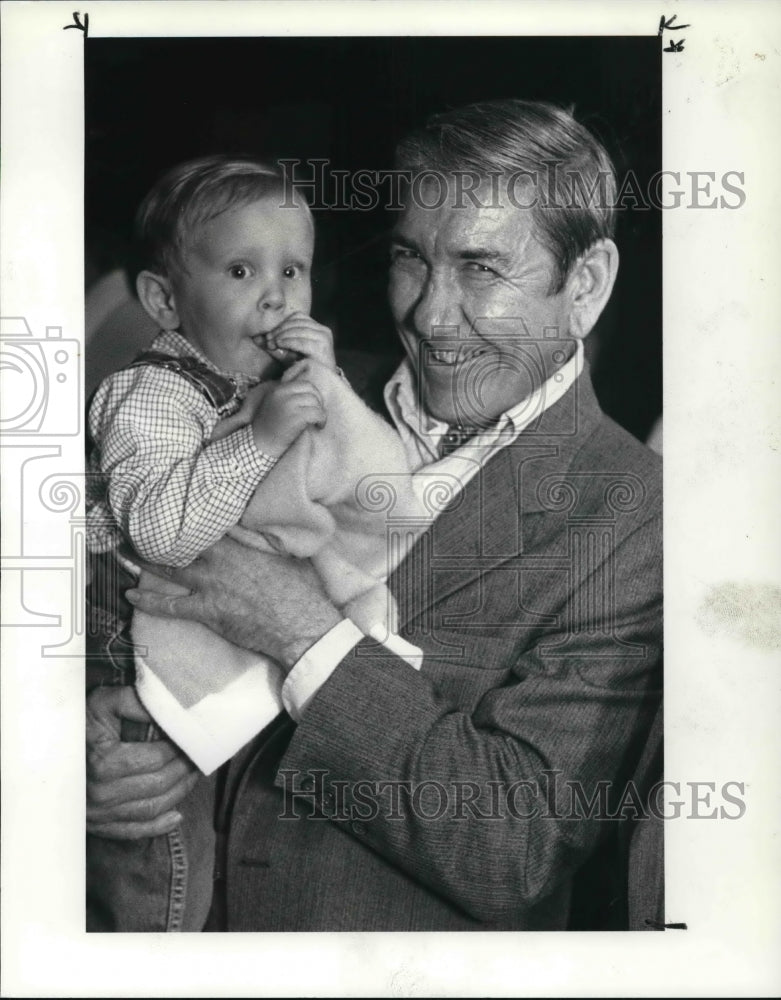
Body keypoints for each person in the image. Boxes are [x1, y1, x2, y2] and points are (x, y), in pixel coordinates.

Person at [86, 99, 662, 931]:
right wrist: (85, 749)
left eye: (480, 267)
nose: (428, 314)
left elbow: (512, 846)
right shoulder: (277, 386)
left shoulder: (638, 518)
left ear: (586, 285)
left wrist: (302, 634)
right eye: (410, 258)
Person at [85, 155, 422, 930]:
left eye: (293, 270)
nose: (275, 294)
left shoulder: (268, 384)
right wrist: (264, 436)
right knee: (163, 875)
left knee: (201, 874)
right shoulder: (150, 393)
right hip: (127, 636)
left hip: (202, 651)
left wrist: (325, 391)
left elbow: (379, 492)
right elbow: (164, 532)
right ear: (165, 300)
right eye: (241, 270)